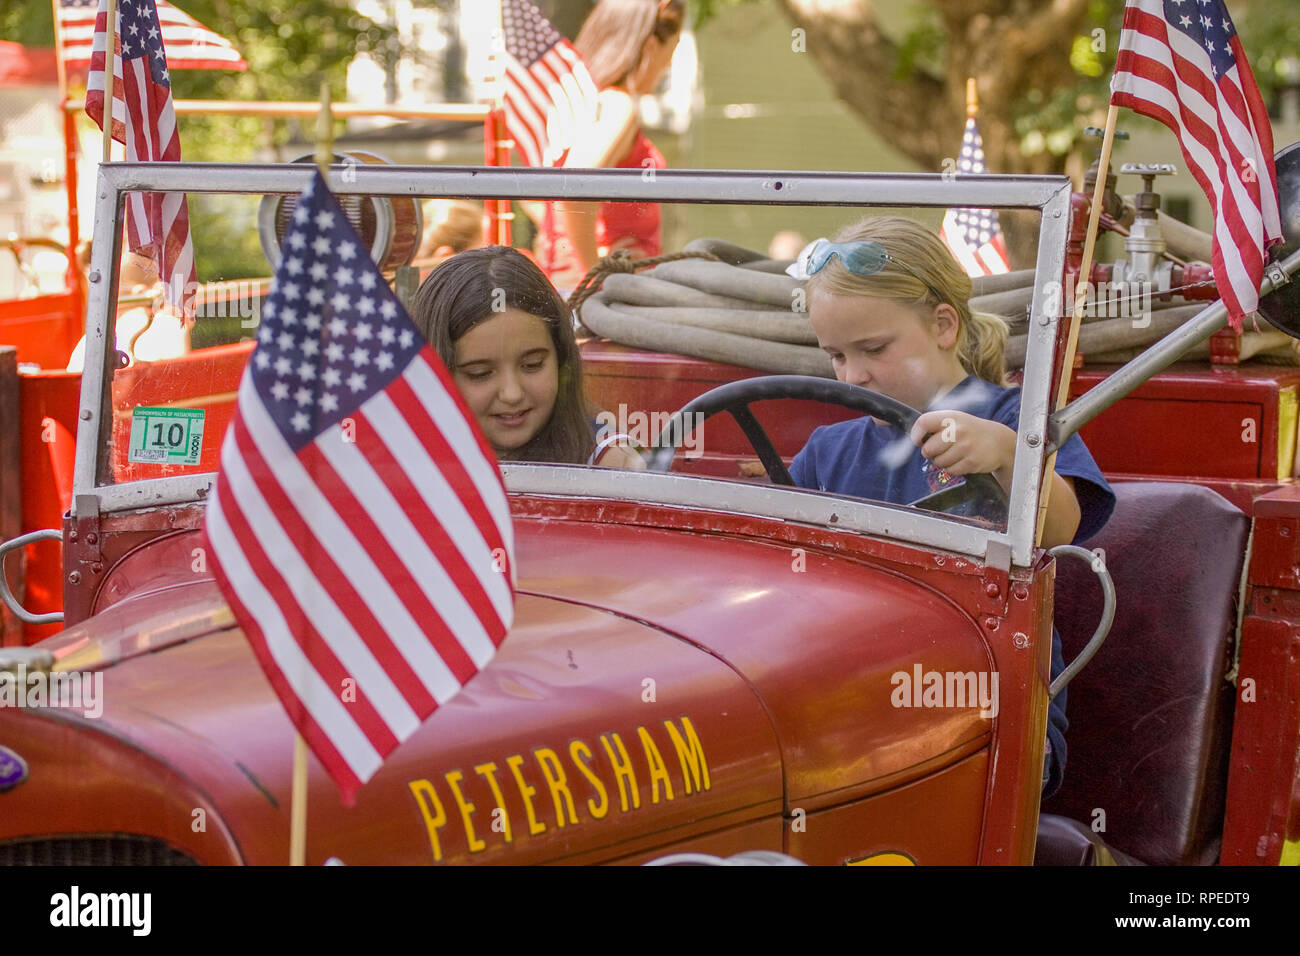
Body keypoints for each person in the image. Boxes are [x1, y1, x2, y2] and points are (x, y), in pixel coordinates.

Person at [787, 216, 1116, 799]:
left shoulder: (1019, 423)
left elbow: (1064, 525)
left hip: (994, 706)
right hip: (853, 699)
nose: (853, 374)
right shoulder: (825, 454)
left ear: (943, 325)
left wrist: (1011, 454)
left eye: (874, 349)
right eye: (836, 355)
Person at [410, 245, 644, 468]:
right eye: (479, 374)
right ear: (435, 375)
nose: (512, 394)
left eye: (532, 365)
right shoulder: (399, 462)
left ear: (561, 359)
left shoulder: (613, 464)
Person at [534, 0, 685, 290]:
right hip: (601, 302)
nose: (668, 67)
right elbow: (573, 187)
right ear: (651, 46)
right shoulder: (618, 105)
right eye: (671, 52)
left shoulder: (582, 105)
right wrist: (597, 274)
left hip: (571, 287)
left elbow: (544, 194)